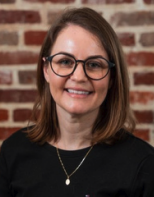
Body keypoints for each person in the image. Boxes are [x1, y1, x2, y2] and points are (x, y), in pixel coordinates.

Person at [0, 7, 154, 197]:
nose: (79, 77)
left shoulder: (144, 164)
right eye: (65, 61)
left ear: (112, 78)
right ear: (46, 69)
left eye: (94, 64)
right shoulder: (12, 153)